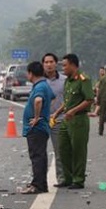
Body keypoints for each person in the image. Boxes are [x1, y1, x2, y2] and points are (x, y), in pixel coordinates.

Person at [51, 53, 94, 189]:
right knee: (63, 148)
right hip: (66, 119)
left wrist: (73, 111)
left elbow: (89, 100)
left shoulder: (83, 80)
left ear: (73, 65)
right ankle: (67, 178)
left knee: (78, 150)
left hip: (79, 119)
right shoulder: (68, 81)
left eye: (65, 65)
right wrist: (57, 112)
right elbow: (67, 101)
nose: (63, 68)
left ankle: (78, 180)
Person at [21, 61, 54, 194]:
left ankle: (38, 185)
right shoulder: (44, 85)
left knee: (37, 156)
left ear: (31, 73)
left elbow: (38, 100)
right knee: (40, 156)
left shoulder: (40, 87)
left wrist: (36, 117)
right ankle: (41, 183)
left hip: (37, 128)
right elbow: (51, 97)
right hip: (42, 126)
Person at [42, 53, 66, 186]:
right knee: (39, 153)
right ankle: (40, 180)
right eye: (46, 62)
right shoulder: (40, 81)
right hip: (42, 121)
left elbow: (67, 100)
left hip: (59, 119)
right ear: (43, 64)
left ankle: (62, 178)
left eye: (51, 62)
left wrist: (57, 114)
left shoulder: (64, 80)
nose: (49, 64)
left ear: (56, 63)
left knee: (60, 151)